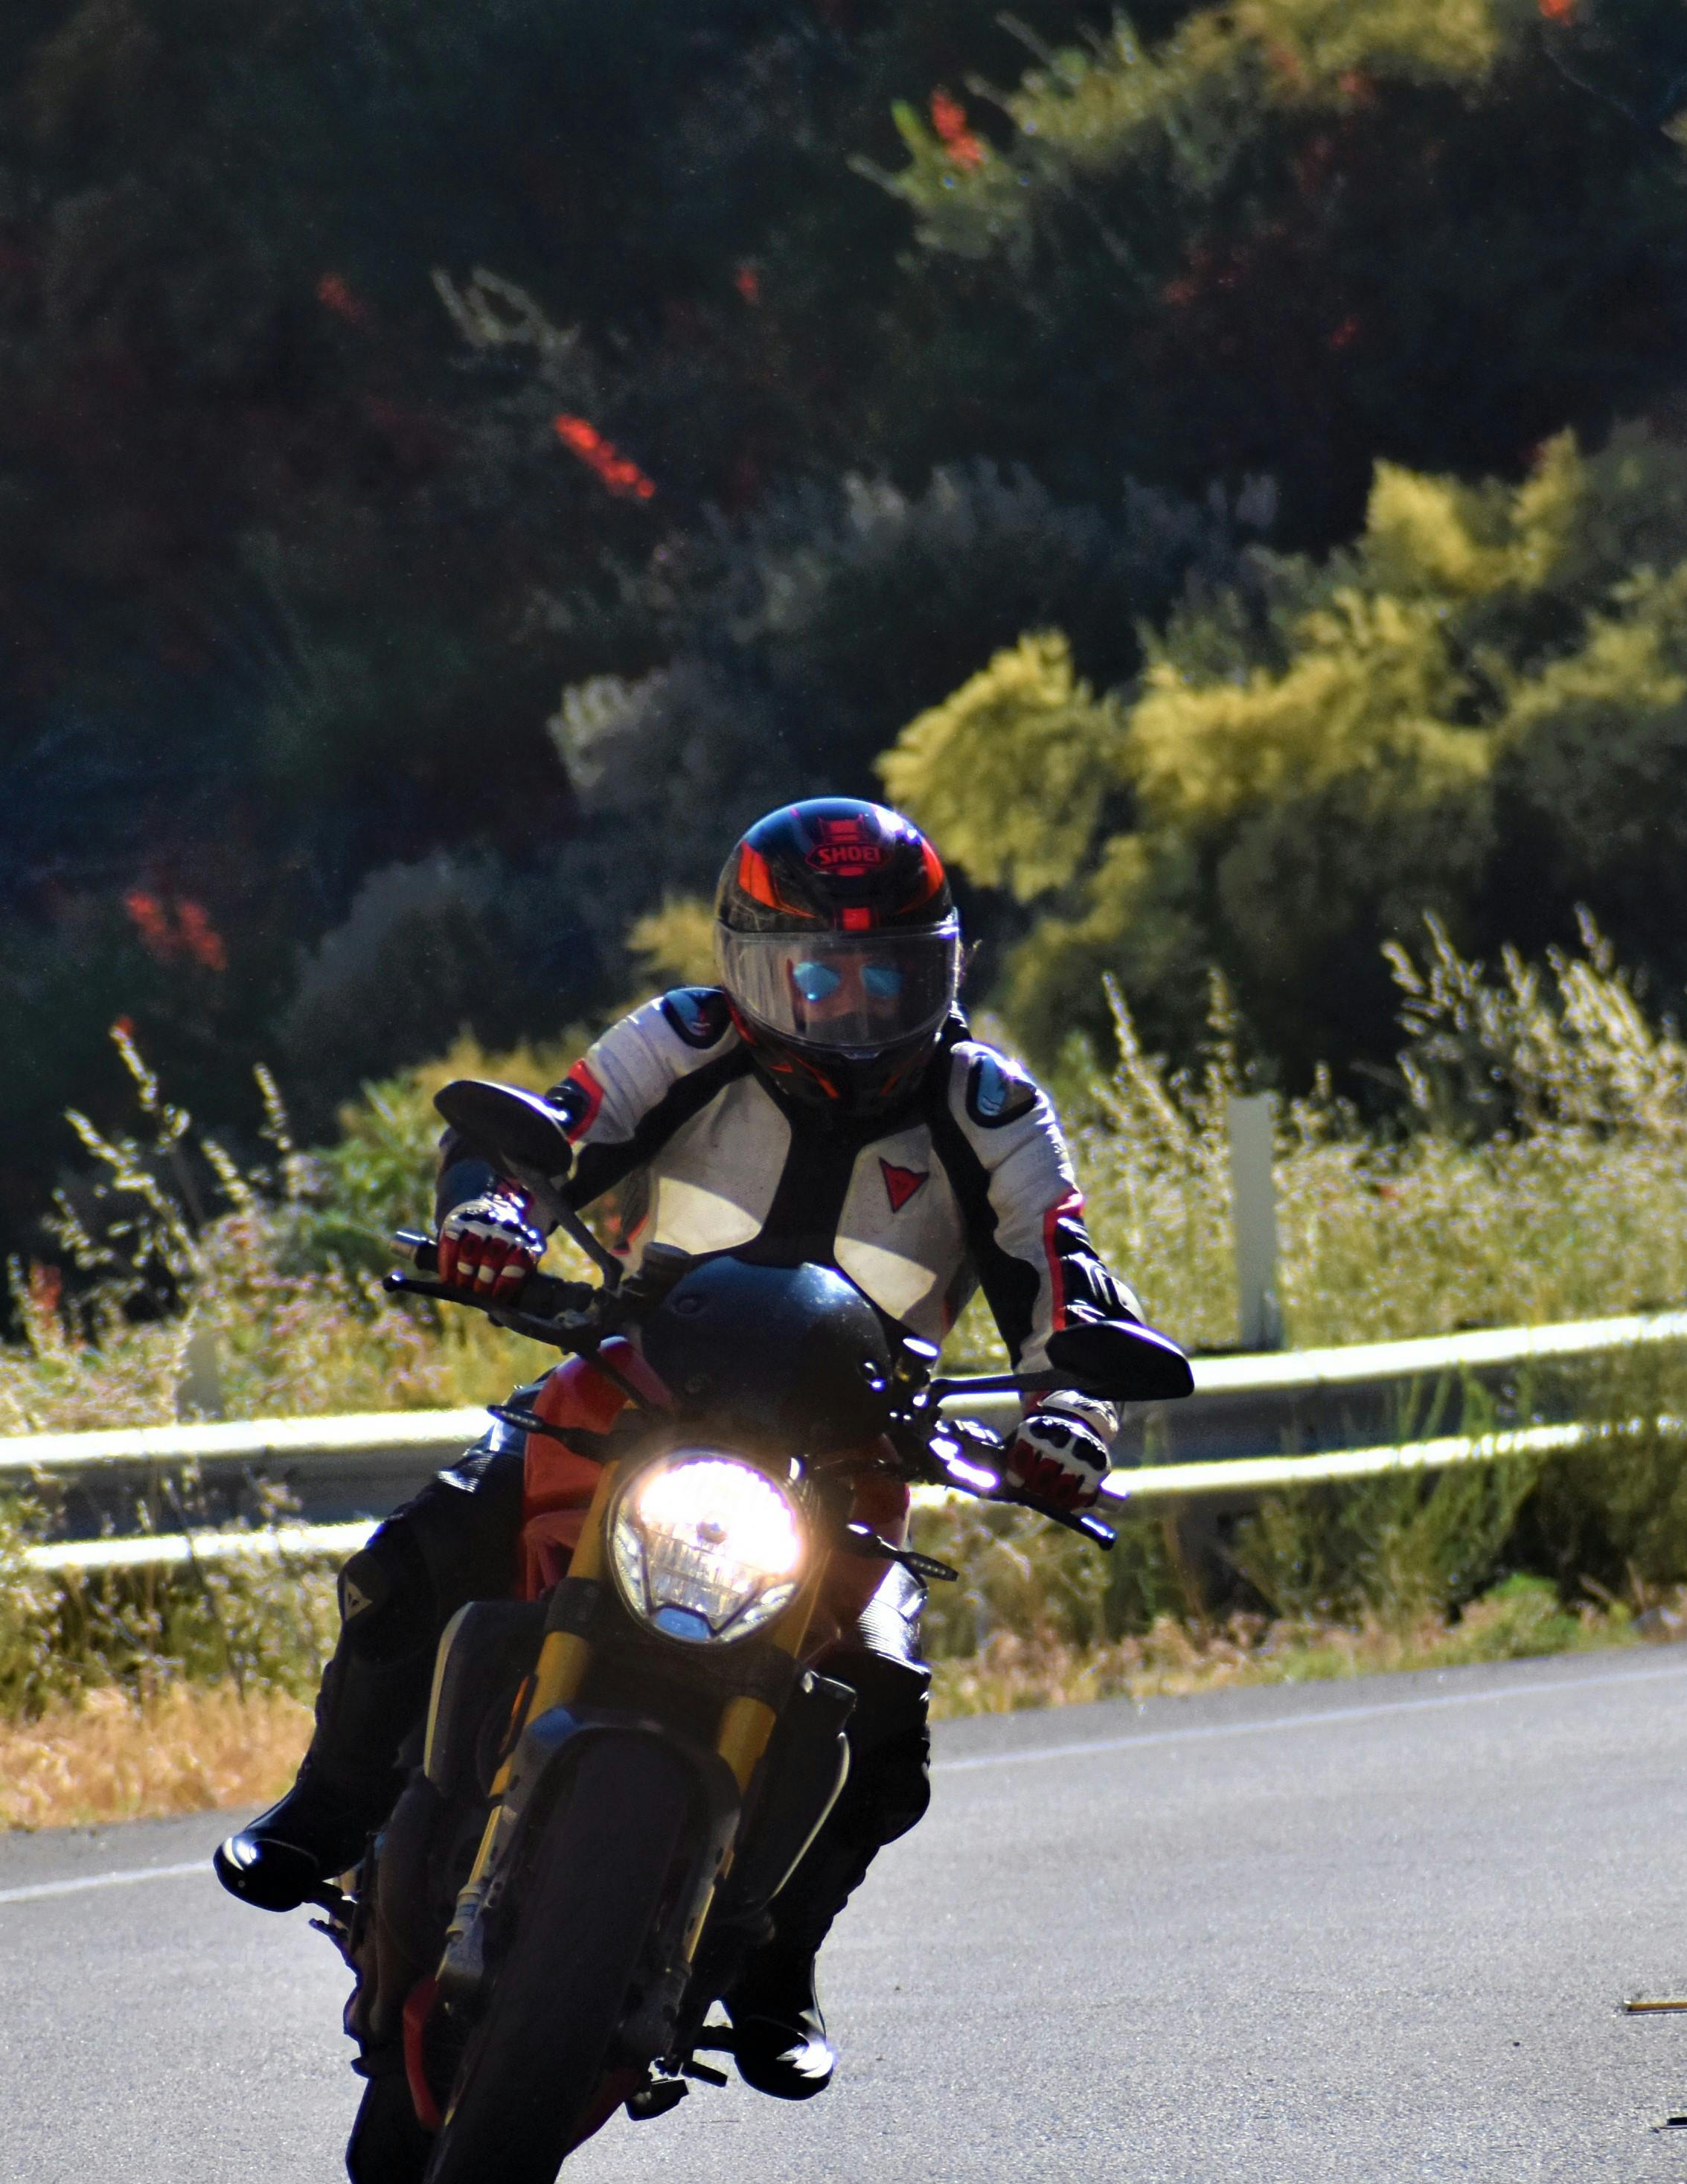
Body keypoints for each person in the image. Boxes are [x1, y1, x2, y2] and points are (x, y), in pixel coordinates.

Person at [213, 795, 1145, 2099]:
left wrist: (1069, 1417)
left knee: (886, 1729)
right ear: (750, 966)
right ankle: (326, 1810)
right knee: (413, 1557)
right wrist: (494, 1217)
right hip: (639, 1377)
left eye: (890, 974)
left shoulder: (992, 1108)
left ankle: (774, 1965)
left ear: (946, 970)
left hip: (849, 1449)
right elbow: (546, 1137)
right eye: (817, 974)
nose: (852, 1007)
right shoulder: (686, 1038)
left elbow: (1070, 1279)